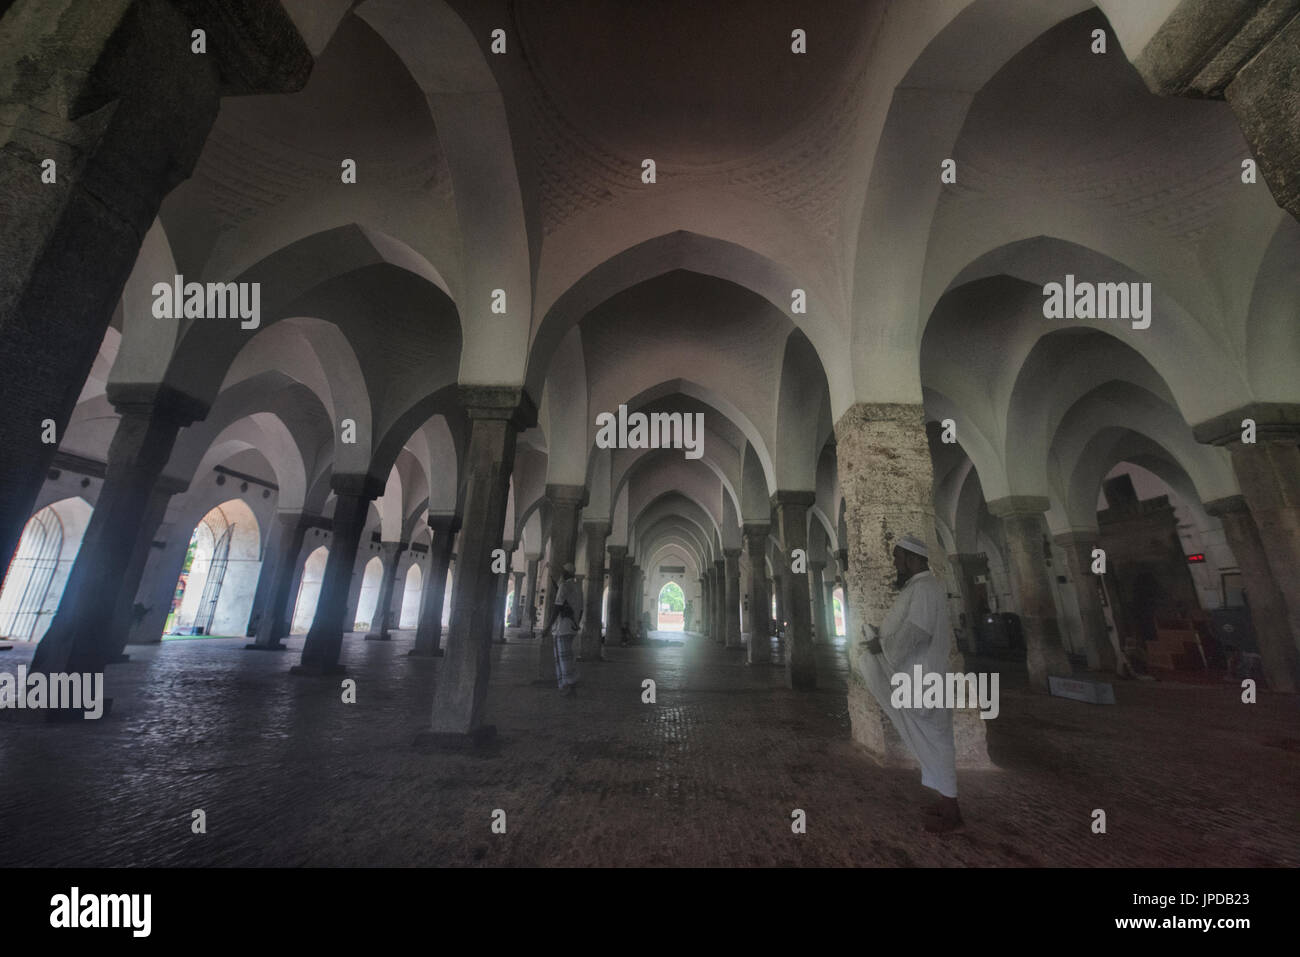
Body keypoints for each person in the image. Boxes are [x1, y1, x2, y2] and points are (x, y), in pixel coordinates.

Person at [857, 533, 962, 833]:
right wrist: (882, 637)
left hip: (924, 678)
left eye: (897, 558)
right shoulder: (917, 588)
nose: (895, 564)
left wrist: (883, 648)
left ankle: (952, 811)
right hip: (915, 675)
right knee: (928, 738)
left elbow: (917, 631)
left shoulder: (926, 587)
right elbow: (908, 628)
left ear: (913, 558)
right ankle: (945, 802)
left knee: (937, 741)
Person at [541, 562, 584, 697]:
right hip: (572, 626)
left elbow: (557, 607)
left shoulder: (565, 586)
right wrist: (577, 622)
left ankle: (571, 687)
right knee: (568, 657)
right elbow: (580, 609)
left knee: (563, 658)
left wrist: (547, 627)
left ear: (565, 573)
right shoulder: (577, 587)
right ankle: (570, 685)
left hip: (563, 627)